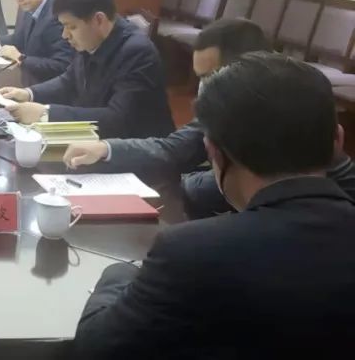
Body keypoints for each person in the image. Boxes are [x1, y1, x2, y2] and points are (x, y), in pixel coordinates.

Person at [74, 52, 355, 357]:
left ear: (214, 152)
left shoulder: (191, 251)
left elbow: (97, 347)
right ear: (337, 141)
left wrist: (118, 274)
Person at [62, 18, 355, 218]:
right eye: (200, 78)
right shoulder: (249, 93)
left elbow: (176, 152)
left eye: (210, 76)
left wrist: (107, 149)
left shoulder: (281, 101)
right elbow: (179, 147)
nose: (203, 88)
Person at [0, 0, 173, 139]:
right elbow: (69, 80)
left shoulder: (137, 52)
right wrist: (29, 93)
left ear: (99, 20)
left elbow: (118, 119)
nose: (65, 35)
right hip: (97, 142)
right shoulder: (91, 40)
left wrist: (46, 113)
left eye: (71, 27)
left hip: (138, 150)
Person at [0, 0, 73, 85]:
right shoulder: (27, 7)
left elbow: (62, 65)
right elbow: (19, 39)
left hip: (50, 90)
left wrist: (21, 58)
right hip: (29, 84)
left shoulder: (59, 13)